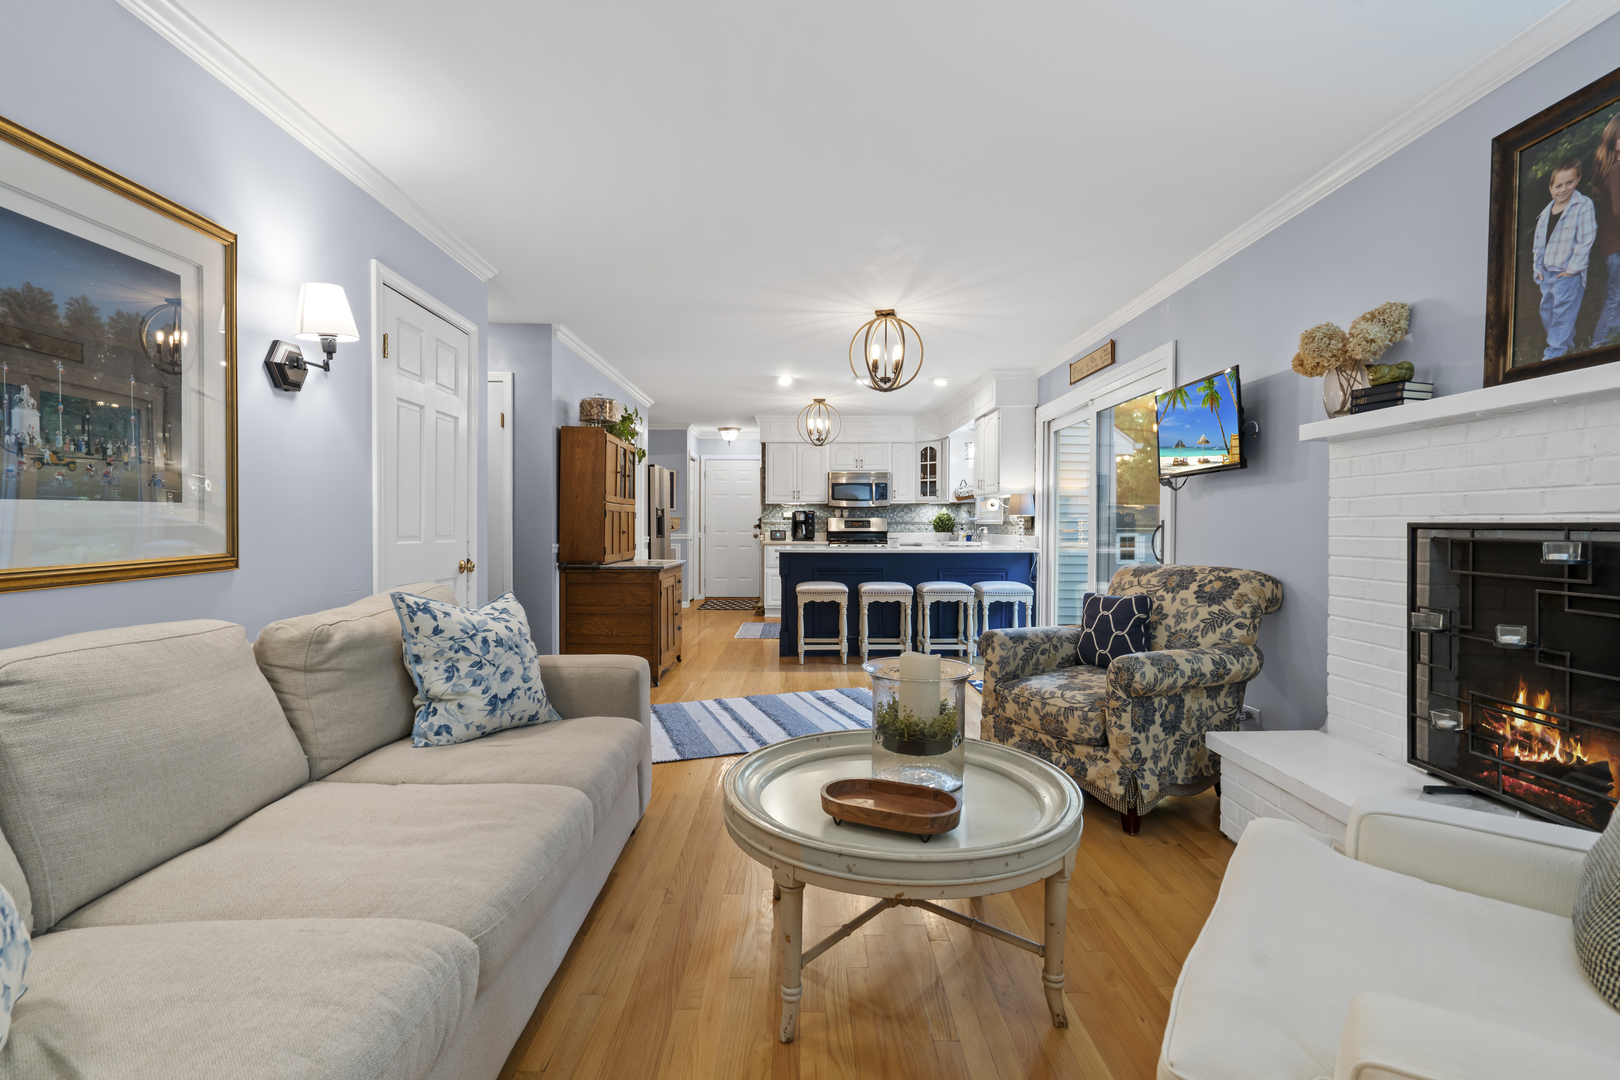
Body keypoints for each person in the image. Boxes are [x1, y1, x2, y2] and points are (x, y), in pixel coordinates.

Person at [1532, 157, 1596, 359]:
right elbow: (1538, 243)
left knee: (1562, 313)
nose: (1563, 189)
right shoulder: (1545, 213)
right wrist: (1537, 268)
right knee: (1547, 312)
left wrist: (1571, 270)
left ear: (1578, 179)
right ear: (1551, 188)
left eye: (1569, 182)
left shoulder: (1583, 205)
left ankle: (1554, 353)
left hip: (1567, 273)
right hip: (1546, 273)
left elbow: (1585, 240)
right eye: (1558, 185)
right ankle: (1566, 343)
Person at [1591, 115, 1620, 347]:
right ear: (1614, 141)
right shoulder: (1618, 169)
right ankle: (1598, 351)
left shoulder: (1612, 169)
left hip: (1613, 248)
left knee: (1614, 298)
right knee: (1616, 300)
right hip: (1618, 247)